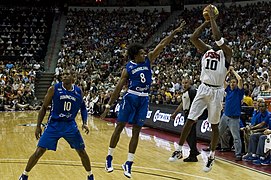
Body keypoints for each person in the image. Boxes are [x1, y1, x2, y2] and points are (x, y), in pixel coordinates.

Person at [100, 20, 186, 178]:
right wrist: (108, 106)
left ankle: (129, 163)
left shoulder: (149, 60)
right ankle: (109, 157)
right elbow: (118, 87)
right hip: (131, 97)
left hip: (144, 99)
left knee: (136, 131)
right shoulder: (128, 68)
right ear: (134, 55)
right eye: (141, 53)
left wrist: (175, 32)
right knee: (119, 128)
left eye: (144, 52)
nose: (144, 54)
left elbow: (162, 44)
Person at [168, 5, 232, 172]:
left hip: (217, 91)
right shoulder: (207, 50)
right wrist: (205, 22)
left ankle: (211, 156)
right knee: (190, 120)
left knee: (214, 125)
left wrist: (212, 19)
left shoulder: (227, 52)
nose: (216, 42)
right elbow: (193, 37)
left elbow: (218, 38)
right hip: (203, 88)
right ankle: (179, 149)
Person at [19, 69, 94, 180]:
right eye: (63, 74)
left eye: (67, 74)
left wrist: (85, 123)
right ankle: (24, 175)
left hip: (70, 125)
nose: (64, 76)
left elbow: (83, 108)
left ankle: (90, 175)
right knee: (39, 151)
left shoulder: (78, 91)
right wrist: (38, 125)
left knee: (82, 151)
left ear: (72, 76)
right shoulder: (54, 89)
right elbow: (43, 107)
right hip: (54, 124)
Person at [169, 76, 200, 162]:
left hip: (191, 115)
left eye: (186, 83)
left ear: (190, 83)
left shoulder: (192, 91)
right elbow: (183, 104)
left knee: (190, 135)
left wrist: (196, 116)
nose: (184, 84)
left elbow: (196, 104)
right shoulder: (185, 92)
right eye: (183, 83)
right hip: (186, 114)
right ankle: (194, 152)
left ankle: (193, 154)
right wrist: (175, 113)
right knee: (188, 135)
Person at [218, 66, 244, 161]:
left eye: (234, 82)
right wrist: (228, 72)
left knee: (236, 137)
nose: (232, 84)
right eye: (231, 82)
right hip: (225, 116)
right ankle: (212, 147)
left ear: (236, 84)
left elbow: (240, 79)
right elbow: (222, 80)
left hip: (234, 118)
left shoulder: (239, 91)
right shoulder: (228, 89)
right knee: (218, 133)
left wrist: (233, 71)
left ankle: (238, 154)